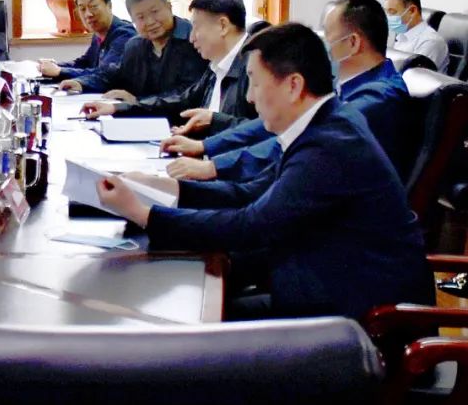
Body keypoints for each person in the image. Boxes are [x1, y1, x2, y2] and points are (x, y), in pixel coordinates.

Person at [96, 23, 434, 321]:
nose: (249, 97)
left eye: (255, 83)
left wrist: (144, 214)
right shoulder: (324, 123)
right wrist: (165, 187)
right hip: (321, 282)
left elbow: (252, 225)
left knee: (195, 327)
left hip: (361, 318)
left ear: (293, 85)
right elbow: (250, 192)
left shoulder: (330, 145)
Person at [161, 0, 416, 183]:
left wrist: (215, 166)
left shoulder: (378, 97)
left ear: (352, 43)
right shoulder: (344, 84)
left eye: (327, 35)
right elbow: (268, 125)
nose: (321, 44)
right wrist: (206, 147)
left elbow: (296, 139)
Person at [80, 0, 257, 137]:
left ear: (223, 26)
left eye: (196, 27)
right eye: (140, 17)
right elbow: (181, 101)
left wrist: (210, 130)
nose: (191, 37)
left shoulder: (257, 68)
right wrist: (118, 108)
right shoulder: (216, 68)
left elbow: (266, 133)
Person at [57, 0, 205, 97]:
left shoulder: (193, 40)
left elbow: (185, 95)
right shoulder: (135, 45)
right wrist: (82, 83)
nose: (149, 22)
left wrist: (136, 102)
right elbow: (114, 74)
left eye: (155, 12)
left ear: (169, 7)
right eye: (140, 17)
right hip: (142, 118)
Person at [36, 0, 136, 82]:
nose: (88, 14)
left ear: (109, 6)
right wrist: (55, 66)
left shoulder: (125, 35)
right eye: (82, 9)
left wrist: (60, 71)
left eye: (93, 6)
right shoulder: (99, 33)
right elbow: (84, 63)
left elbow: (106, 74)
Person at [385, 0, 448, 73]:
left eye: (392, 12)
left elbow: (414, 77)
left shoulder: (430, 42)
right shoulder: (401, 37)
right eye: (387, 13)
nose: (388, 18)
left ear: (412, 11)